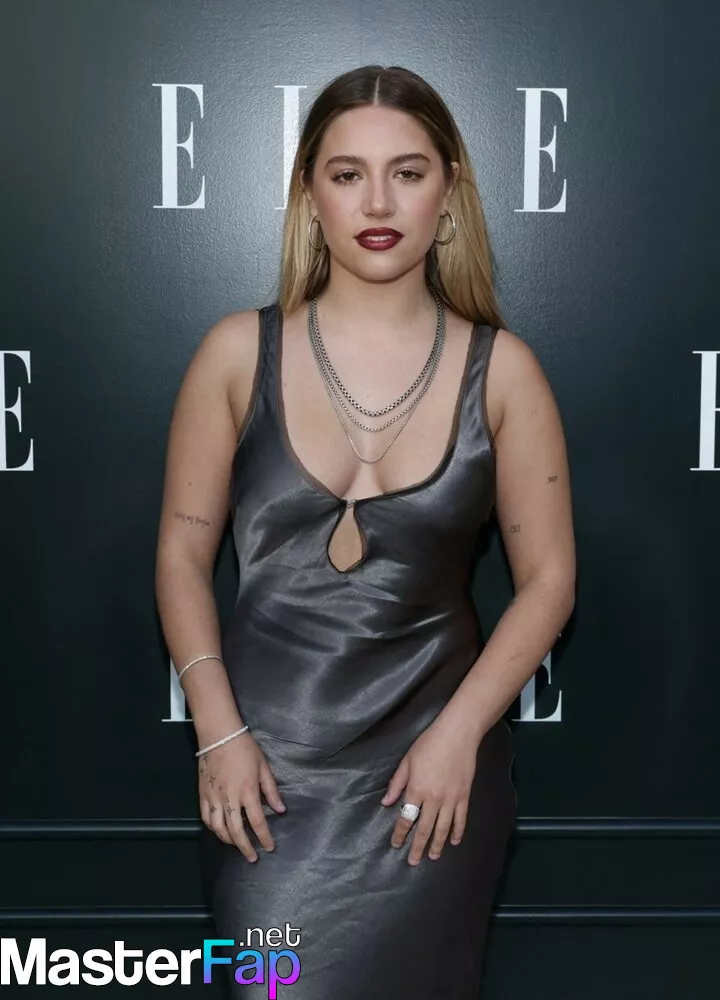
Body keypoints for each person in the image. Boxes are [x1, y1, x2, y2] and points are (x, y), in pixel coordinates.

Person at [155, 64, 575, 999]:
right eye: (347, 174)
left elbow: (549, 580)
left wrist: (459, 737)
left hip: (433, 770)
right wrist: (218, 735)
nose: (377, 202)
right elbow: (182, 557)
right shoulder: (236, 354)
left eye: (407, 172)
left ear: (449, 190)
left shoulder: (504, 372)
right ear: (309, 193)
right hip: (263, 772)